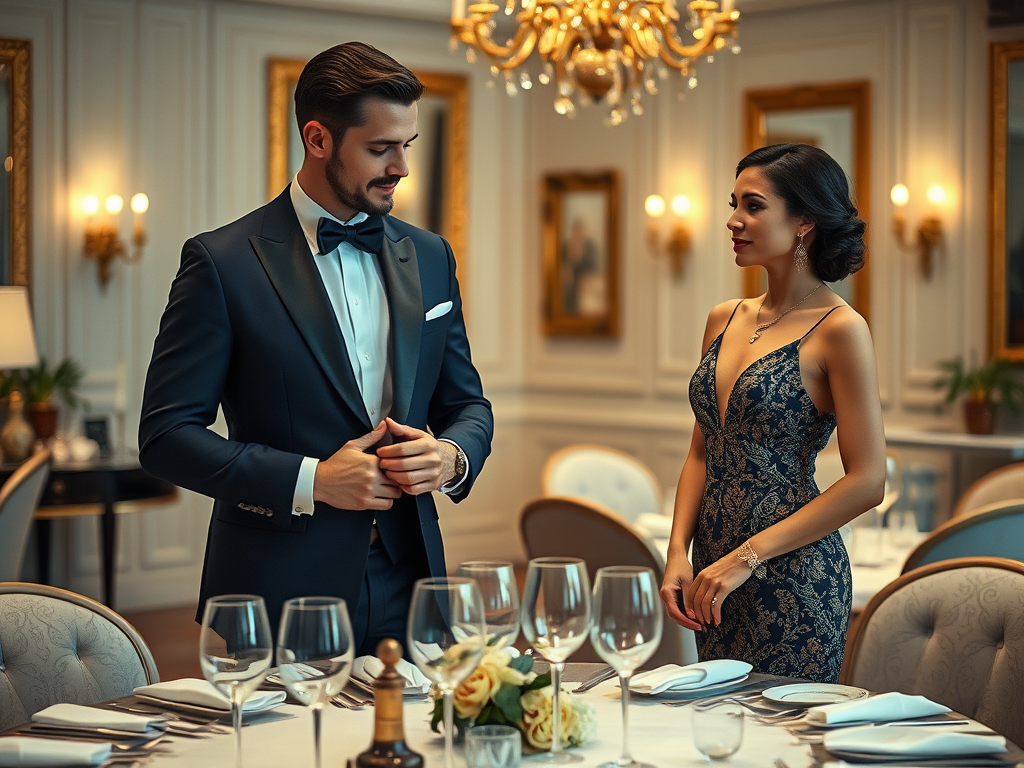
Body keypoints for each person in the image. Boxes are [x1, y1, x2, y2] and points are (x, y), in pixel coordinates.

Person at [139, 42, 493, 654]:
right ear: (318, 139)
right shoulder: (221, 263)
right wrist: (314, 480)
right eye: (380, 149)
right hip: (279, 585)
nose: (402, 168)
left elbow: (469, 404)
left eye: (407, 145)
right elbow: (166, 437)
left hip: (412, 578)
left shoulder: (430, 255)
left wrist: (451, 456)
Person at [659, 143, 886, 683]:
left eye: (753, 205)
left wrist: (747, 559)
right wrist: (676, 554)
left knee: (784, 748)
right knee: (720, 737)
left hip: (794, 577)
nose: (733, 221)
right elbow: (701, 451)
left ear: (804, 221)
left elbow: (869, 480)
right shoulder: (723, 318)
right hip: (712, 575)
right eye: (734, 203)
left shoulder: (840, 330)